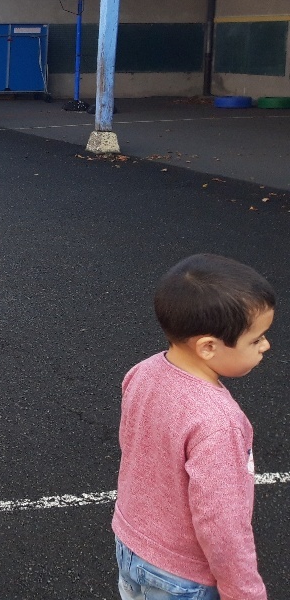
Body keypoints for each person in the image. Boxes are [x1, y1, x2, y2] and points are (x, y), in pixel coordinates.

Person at [113, 253, 275, 600]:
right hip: (183, 577)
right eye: (256, 339)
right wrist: (244, 593)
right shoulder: (219, 422)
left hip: (131, 543)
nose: (266, 346)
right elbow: (223, 525)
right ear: (208, 347)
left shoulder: (142, 373)